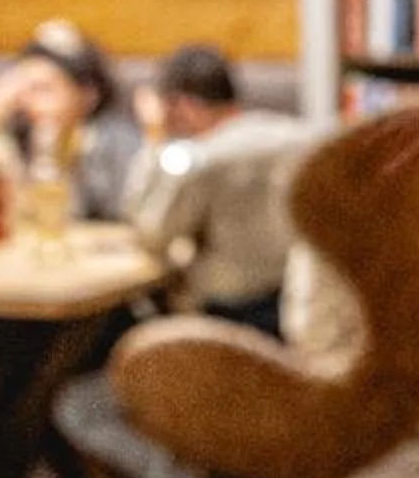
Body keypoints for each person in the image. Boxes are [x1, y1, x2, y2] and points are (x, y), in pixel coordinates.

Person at [122, 45, 311, 334]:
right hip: (297, 300)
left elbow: (152, 232)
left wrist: (154, 136)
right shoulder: (297, 136)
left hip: (226, 309)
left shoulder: (197, 158)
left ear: (181, 106)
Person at [0, 22, 137, 221]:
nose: (29, 102)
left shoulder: (117, 143)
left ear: (88, 95)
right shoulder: (17, 136)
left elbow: (123, 215)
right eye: (24, 90)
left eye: (43, 90)